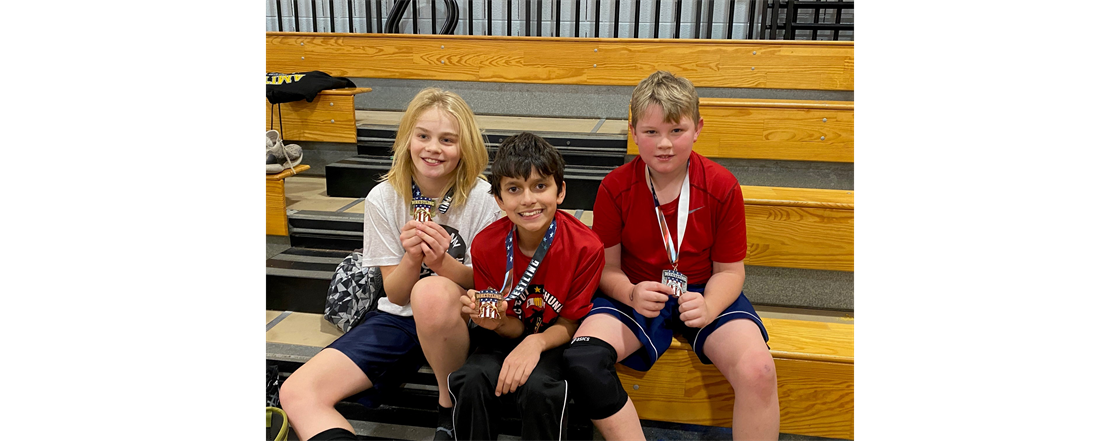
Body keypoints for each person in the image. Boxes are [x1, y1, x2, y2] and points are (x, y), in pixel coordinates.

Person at [561, 70, 780, 441]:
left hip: (705, 290)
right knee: (583, 359)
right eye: (651, 131)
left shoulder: (722, 185)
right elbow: (607, 269)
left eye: (676, 130)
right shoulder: (615, 187)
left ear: (697, 129)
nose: (664, 144)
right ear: (633, 132)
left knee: (759, 369)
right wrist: (630, 292)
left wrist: (710, 305)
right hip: (638, 289)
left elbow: (730, 271)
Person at [278, 87, 503, 441]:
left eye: (447, 140)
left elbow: (484, 284)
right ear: (407, 139)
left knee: (431, 292)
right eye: (423, 136)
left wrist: (442, 263)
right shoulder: (382, 198)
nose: (433, 148)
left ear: (465, 147)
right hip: (400, 319)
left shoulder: (484, 199)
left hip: (461, 319)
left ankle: (449, 406)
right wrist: (412, 257)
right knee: (297, 392)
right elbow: (396, 295)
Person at [413, 131, 604, 441]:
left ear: (560, 191)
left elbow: (570, 322)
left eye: (540, 186)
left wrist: (535, 344)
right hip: (507, 334)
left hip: (555, 339)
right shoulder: (486, 244)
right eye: (514, 189)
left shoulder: (587, 247)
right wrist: (497, 322)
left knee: (542, 388)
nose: (528, 199)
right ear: (500, 199)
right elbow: (510, 327)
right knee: (471, 379)